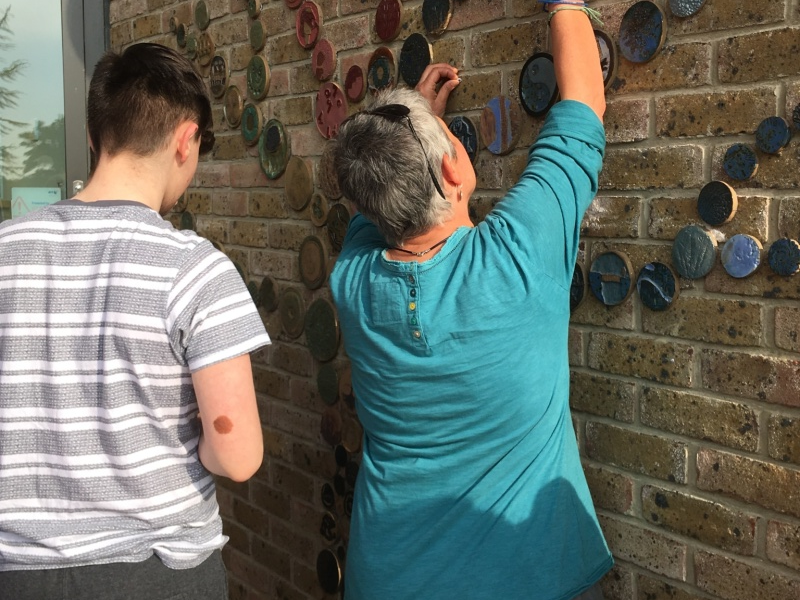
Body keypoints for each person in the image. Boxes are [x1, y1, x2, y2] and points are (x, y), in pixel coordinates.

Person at [329, 3, 610, 599]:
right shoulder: (518, 256)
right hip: (521, 580)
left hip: (386, 578)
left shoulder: (352, 281)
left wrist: (416, 121)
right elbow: (585, 105)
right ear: (454, 168)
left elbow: (373, 200)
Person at [0, 43, 270, 600]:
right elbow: (238, 456)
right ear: (185, 141)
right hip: (154, 571)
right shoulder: (194, 270)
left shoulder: (6, 248)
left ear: (95, 137)